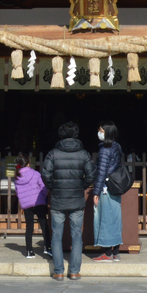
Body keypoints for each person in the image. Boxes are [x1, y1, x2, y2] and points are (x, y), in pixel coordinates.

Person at [41, 120, 95, 281]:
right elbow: (92, 174)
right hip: (77, 199)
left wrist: (53, 187)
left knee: (56, 235)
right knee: (76, 235)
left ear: (61, 135)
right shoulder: (84, 153)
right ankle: (74, 271)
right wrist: (81, 186)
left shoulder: (53, 153)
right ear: (76, 135)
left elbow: (45, 175)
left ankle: (58, 271)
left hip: (58, 199)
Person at [91, 120, 124, 262]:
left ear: (107, 132)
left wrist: (96, 192)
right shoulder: (117, 146)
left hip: (106, 188)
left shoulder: (104, 150)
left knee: (104, 219)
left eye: (101, 131)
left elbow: (101, 172)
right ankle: (115, 252)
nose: (99, 133)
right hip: (115, 188)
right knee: (115, 218)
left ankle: (107, 252)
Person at [12, 154, 51, 259]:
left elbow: (17, 192)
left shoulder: (17, 177)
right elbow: (43, 188)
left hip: (26, 205)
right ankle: (47, 248)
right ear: (28, 163)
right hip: (38, 202)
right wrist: (43, 199)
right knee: (44, 225)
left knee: (29, 227)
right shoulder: (35, 174)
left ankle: (29, 251)